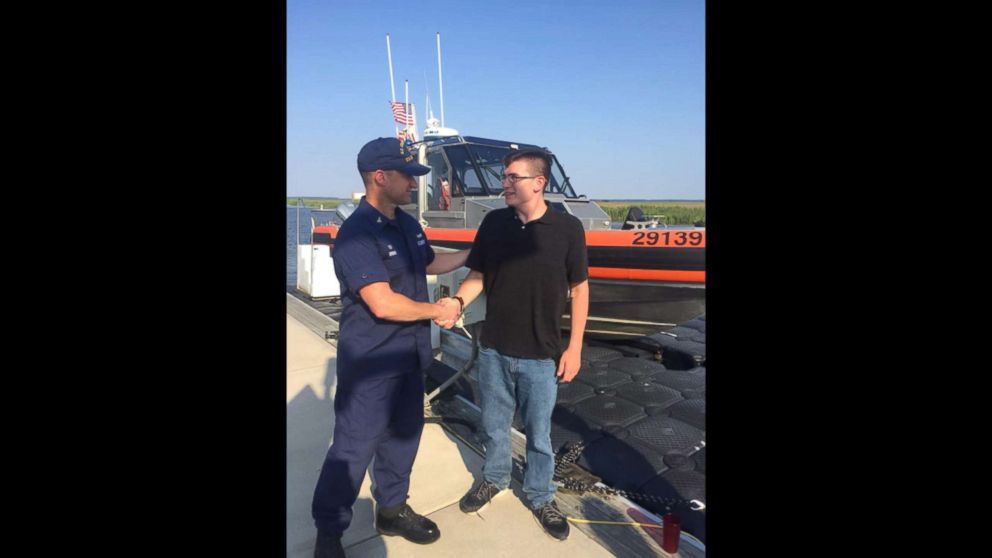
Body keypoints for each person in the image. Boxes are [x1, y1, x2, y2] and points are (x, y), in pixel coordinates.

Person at [311, 137, 467, 558]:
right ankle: (329, 533)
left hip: (409, 357)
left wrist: (475, 253)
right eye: (408, 177)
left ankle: (392, 510)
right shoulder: (356, 235)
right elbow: (382, 301)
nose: (416, 184)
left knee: (403, 439)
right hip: (371, 364)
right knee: (353, 448)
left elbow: (428, 261)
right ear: (381, 177)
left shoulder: (406, 222)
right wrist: (438, 310)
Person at [439, 147, 589, 541]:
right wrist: (456, 302)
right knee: (493, 425)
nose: (503, 184)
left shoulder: (568, 230)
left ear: (539, 183)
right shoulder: (494, 224)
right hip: (493, 349)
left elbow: (581, 289)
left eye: (512, 178)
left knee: (539, 435)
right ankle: (495, 478)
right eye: (504, 177)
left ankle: (541, 496)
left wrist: (574, 348)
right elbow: (478, 273)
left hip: (542, 355)